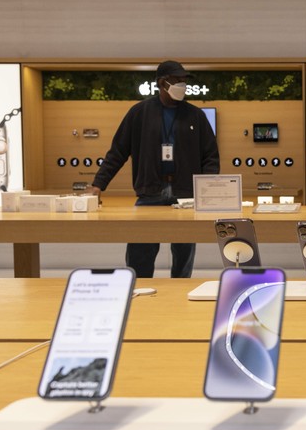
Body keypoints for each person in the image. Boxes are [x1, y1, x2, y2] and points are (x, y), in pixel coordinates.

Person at [90, 60, 220, 278]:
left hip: (185, 195)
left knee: (184, 252)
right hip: (150, 192)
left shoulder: (195, 116)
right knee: (140, 250)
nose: (182, 85)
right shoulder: (139, 113)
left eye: (184, 81)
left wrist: (207, 189)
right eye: (177, 81)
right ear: (162, 82)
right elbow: (118, 152)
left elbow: (210, 157)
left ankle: (180, 290)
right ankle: (138, 287)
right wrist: (98, 184)